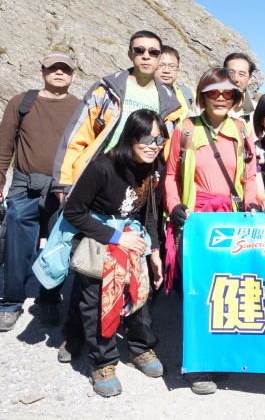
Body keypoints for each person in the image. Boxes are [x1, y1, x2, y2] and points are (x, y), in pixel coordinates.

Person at [164, 67, 259, 395]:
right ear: (202, 96)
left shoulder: (241, 130)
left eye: (227, 92)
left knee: (227, 288)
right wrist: (173, 205)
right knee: (198, 290)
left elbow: (250, 175)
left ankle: (220, 355)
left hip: (231, 219)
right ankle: (199, 364)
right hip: (196, 220)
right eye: (213, 92)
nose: (220, 98)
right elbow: (170, 175)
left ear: (236, 97)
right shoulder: (186, 129)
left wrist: (252, 202)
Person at [62, 109, 167, 397]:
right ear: (131, 137)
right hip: (100, 236)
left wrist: (154, 252)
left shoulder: (155, 168)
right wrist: (117, 237)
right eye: (146, 138)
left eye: (159, 140)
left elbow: (151, 213)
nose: (153, 146)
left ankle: (140, 348)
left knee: (142, 292)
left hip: (133, 236)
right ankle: (103, 363)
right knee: (97, 298)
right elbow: (73, 212)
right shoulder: (103, 167)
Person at [0, 53, 81, 331]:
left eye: (64, 69)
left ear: (72, 75)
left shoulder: (80, 108)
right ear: (42, 71)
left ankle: (49, 298)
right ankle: (11, 302)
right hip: (25, 185)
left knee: (58, 246)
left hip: (63, 188)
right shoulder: (22, 102)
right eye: (52, 68)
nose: (59, 73)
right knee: (16, 245)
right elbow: (4, 145)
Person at [53, 30, 183, 192]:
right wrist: (63, 182)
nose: (146, 56)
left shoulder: (169, 103)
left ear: (159, 57)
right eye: (139, 50)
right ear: (130, 54)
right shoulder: (106, 90)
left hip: (141, 183)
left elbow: (168, 152)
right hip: (99, 175)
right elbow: (77, 137)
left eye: (153, 52)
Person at [156, 46, 195, 121]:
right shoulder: (143, 93)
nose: (166, 70)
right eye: (161, 65)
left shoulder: (189, 95)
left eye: (172, 66)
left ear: (177, 69)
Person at [223, 52, 257, 125]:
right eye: (231, 73)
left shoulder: (258, 111)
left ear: (250, 79)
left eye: (241, 74)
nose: (236, 79)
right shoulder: (206, 105)